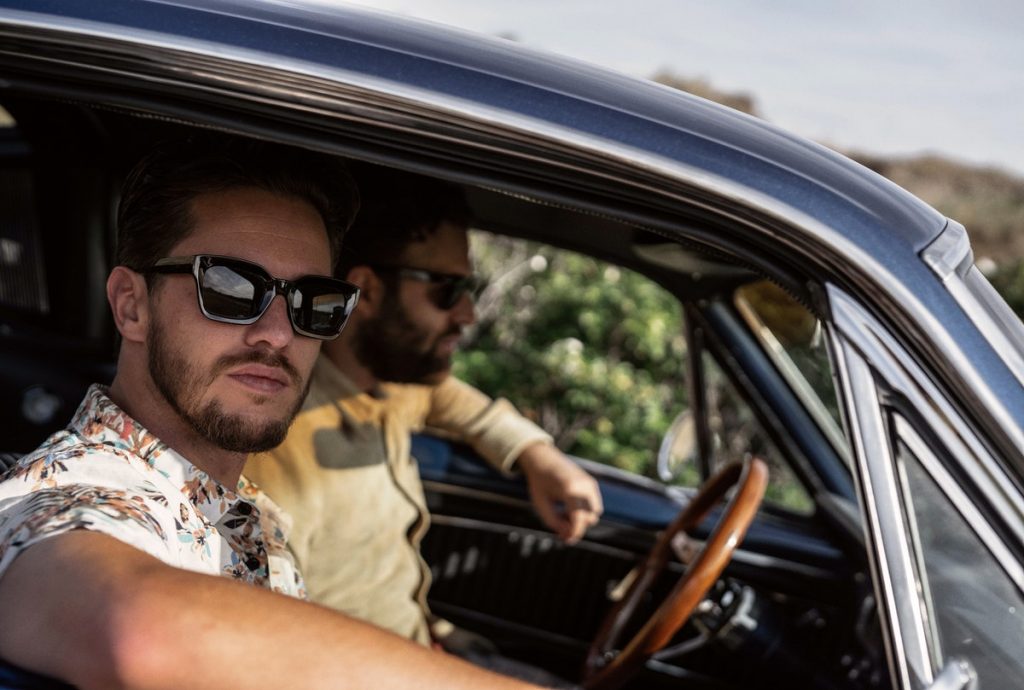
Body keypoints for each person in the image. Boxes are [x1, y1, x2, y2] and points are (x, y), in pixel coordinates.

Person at [0, 139, 544, 690]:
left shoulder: (237, 506)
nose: (279, 334)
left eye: (313, 301)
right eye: (231, 289)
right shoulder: (64, 492)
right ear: (131, 305)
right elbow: (135, 626)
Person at [246, 166, 604, 657]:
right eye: (446, 289)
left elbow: (446, 398)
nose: (468, 313)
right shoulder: (274, 448)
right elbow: (275, 643)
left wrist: (536, 455)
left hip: (423, 641)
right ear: (367, 290)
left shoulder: (391, 385)